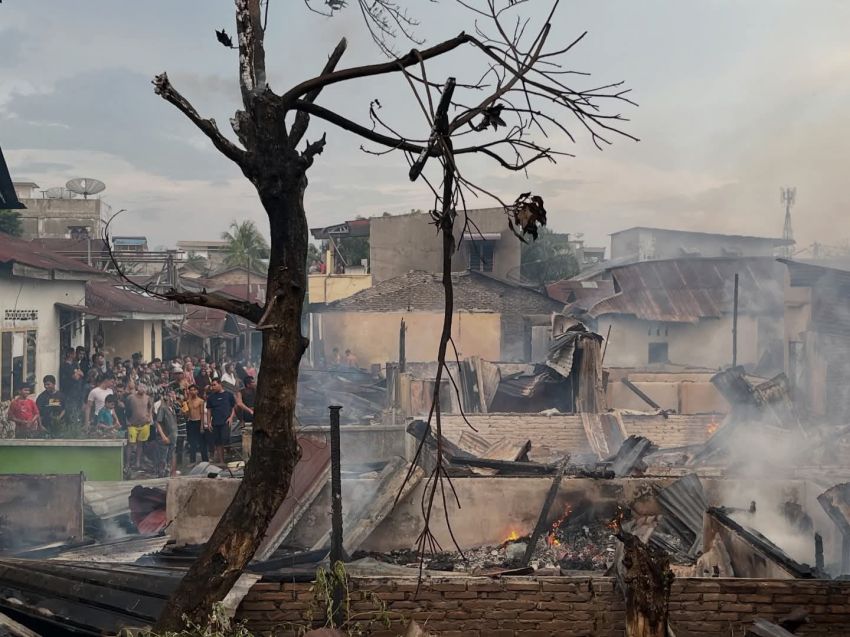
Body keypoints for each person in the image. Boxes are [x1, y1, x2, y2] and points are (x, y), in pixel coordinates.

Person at [205, 379, 235, 465]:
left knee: (225, 439)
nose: (212, 387)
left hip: (226, 421)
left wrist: (231, 417)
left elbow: (233, 408)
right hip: (215, 422)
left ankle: (230, 454)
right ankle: (221, 461)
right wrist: (209, 422)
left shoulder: (229, 395)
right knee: (218, 442)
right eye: (211, 385)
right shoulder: (211, 397)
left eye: (214, 385)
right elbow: (209, 410)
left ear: (220, 384)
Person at [125, 383, 153, 470]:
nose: (143, 389)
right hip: (132, 424)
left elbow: (150, 408)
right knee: (131, 444)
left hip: (144, 424)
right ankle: (127, 464)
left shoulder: (148, 398)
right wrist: (127, 421)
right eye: (141, 387)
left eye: (144, 387)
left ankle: (137, 463)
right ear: (137, 387)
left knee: (140, 444)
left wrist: (150, 418)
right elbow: (125, 409)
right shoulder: (130, 397)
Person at [182, 384, 208, 463]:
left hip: (199, 422)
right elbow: (187, 414)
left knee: (202, 443)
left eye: (194, 390)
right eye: (191, 390)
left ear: (197, 391)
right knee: (192, 442)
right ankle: (192, 461)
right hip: (191, 422)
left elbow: (202, 414)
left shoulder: (201, 401)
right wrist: (184, 411)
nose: (192, 391)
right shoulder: (187, 401)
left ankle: (205, 460)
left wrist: (202, 426)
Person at [155, 389, 178, 477]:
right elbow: (158, 423)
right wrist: (163, 436)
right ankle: (160, 475)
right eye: (171, 395)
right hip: (164, 437)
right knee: (162, 459)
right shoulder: (163, 408)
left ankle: (167, 474)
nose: (173, 397)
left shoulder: (173, 408)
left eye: (174, 395)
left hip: (172, 437)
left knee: (169, 458)